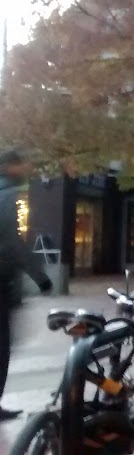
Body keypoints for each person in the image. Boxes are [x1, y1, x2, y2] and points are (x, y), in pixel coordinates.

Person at [0, 148, 52, 420]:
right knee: (2, 346)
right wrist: (40, 277)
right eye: (22, 165)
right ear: (12, 167)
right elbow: (14, 244)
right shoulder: (9, 197)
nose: (26, 169)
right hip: (2, 282)